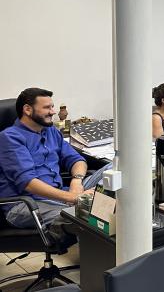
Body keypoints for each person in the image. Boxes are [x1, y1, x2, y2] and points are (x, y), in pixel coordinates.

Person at [0, 88, 106, 229]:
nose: (53, 112)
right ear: (27, 110)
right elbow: (28, 183)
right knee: (83, 216)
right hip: (26, 204)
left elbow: (76, 159)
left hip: (62, 193)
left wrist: (76, 181)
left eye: (52, 107)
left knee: (115, 169)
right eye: (47, 108)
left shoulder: (50, 130)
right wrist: (73, 197)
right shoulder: (10, 138)